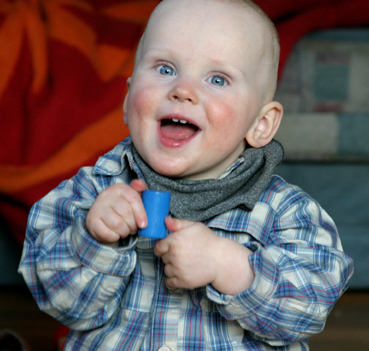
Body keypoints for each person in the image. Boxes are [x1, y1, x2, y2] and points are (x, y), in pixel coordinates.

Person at [18, 0, 354, 350]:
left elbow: (309, 310)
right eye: (165, 69)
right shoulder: (90, 192)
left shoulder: (286, 212)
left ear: (260, 123)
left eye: (218, 78)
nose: (183, 90)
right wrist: (95, 239)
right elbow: (61, 304)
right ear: (128, 98)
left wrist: (232, 268)